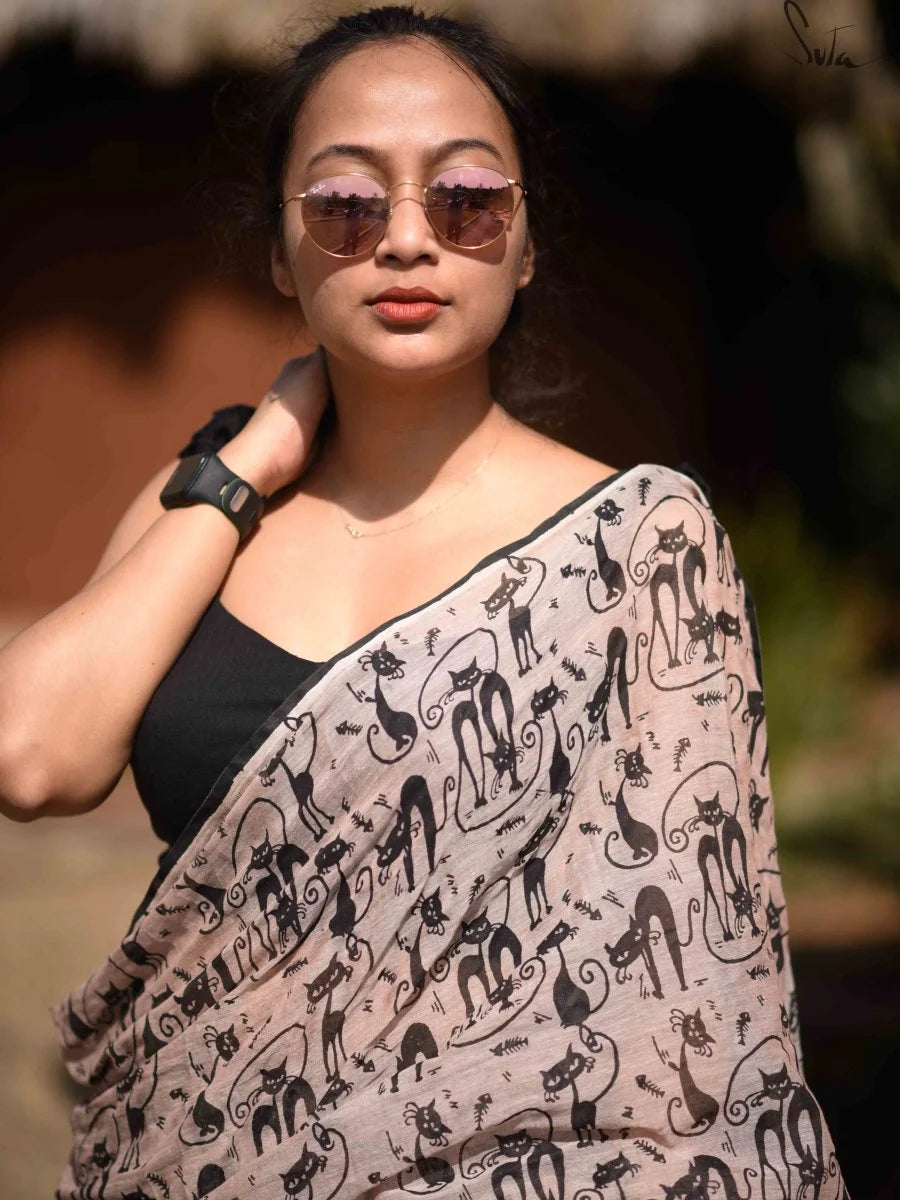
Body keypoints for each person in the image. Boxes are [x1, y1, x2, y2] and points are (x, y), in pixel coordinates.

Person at [0, 6, 848, 1198]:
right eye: (347, 208)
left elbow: (691, 1002)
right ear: (282, 255)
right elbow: (30, 758)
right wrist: (248, 467)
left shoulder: (639, 550)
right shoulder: (210, 499)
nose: (407, 240)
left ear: (526, 245)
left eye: (465, 202)